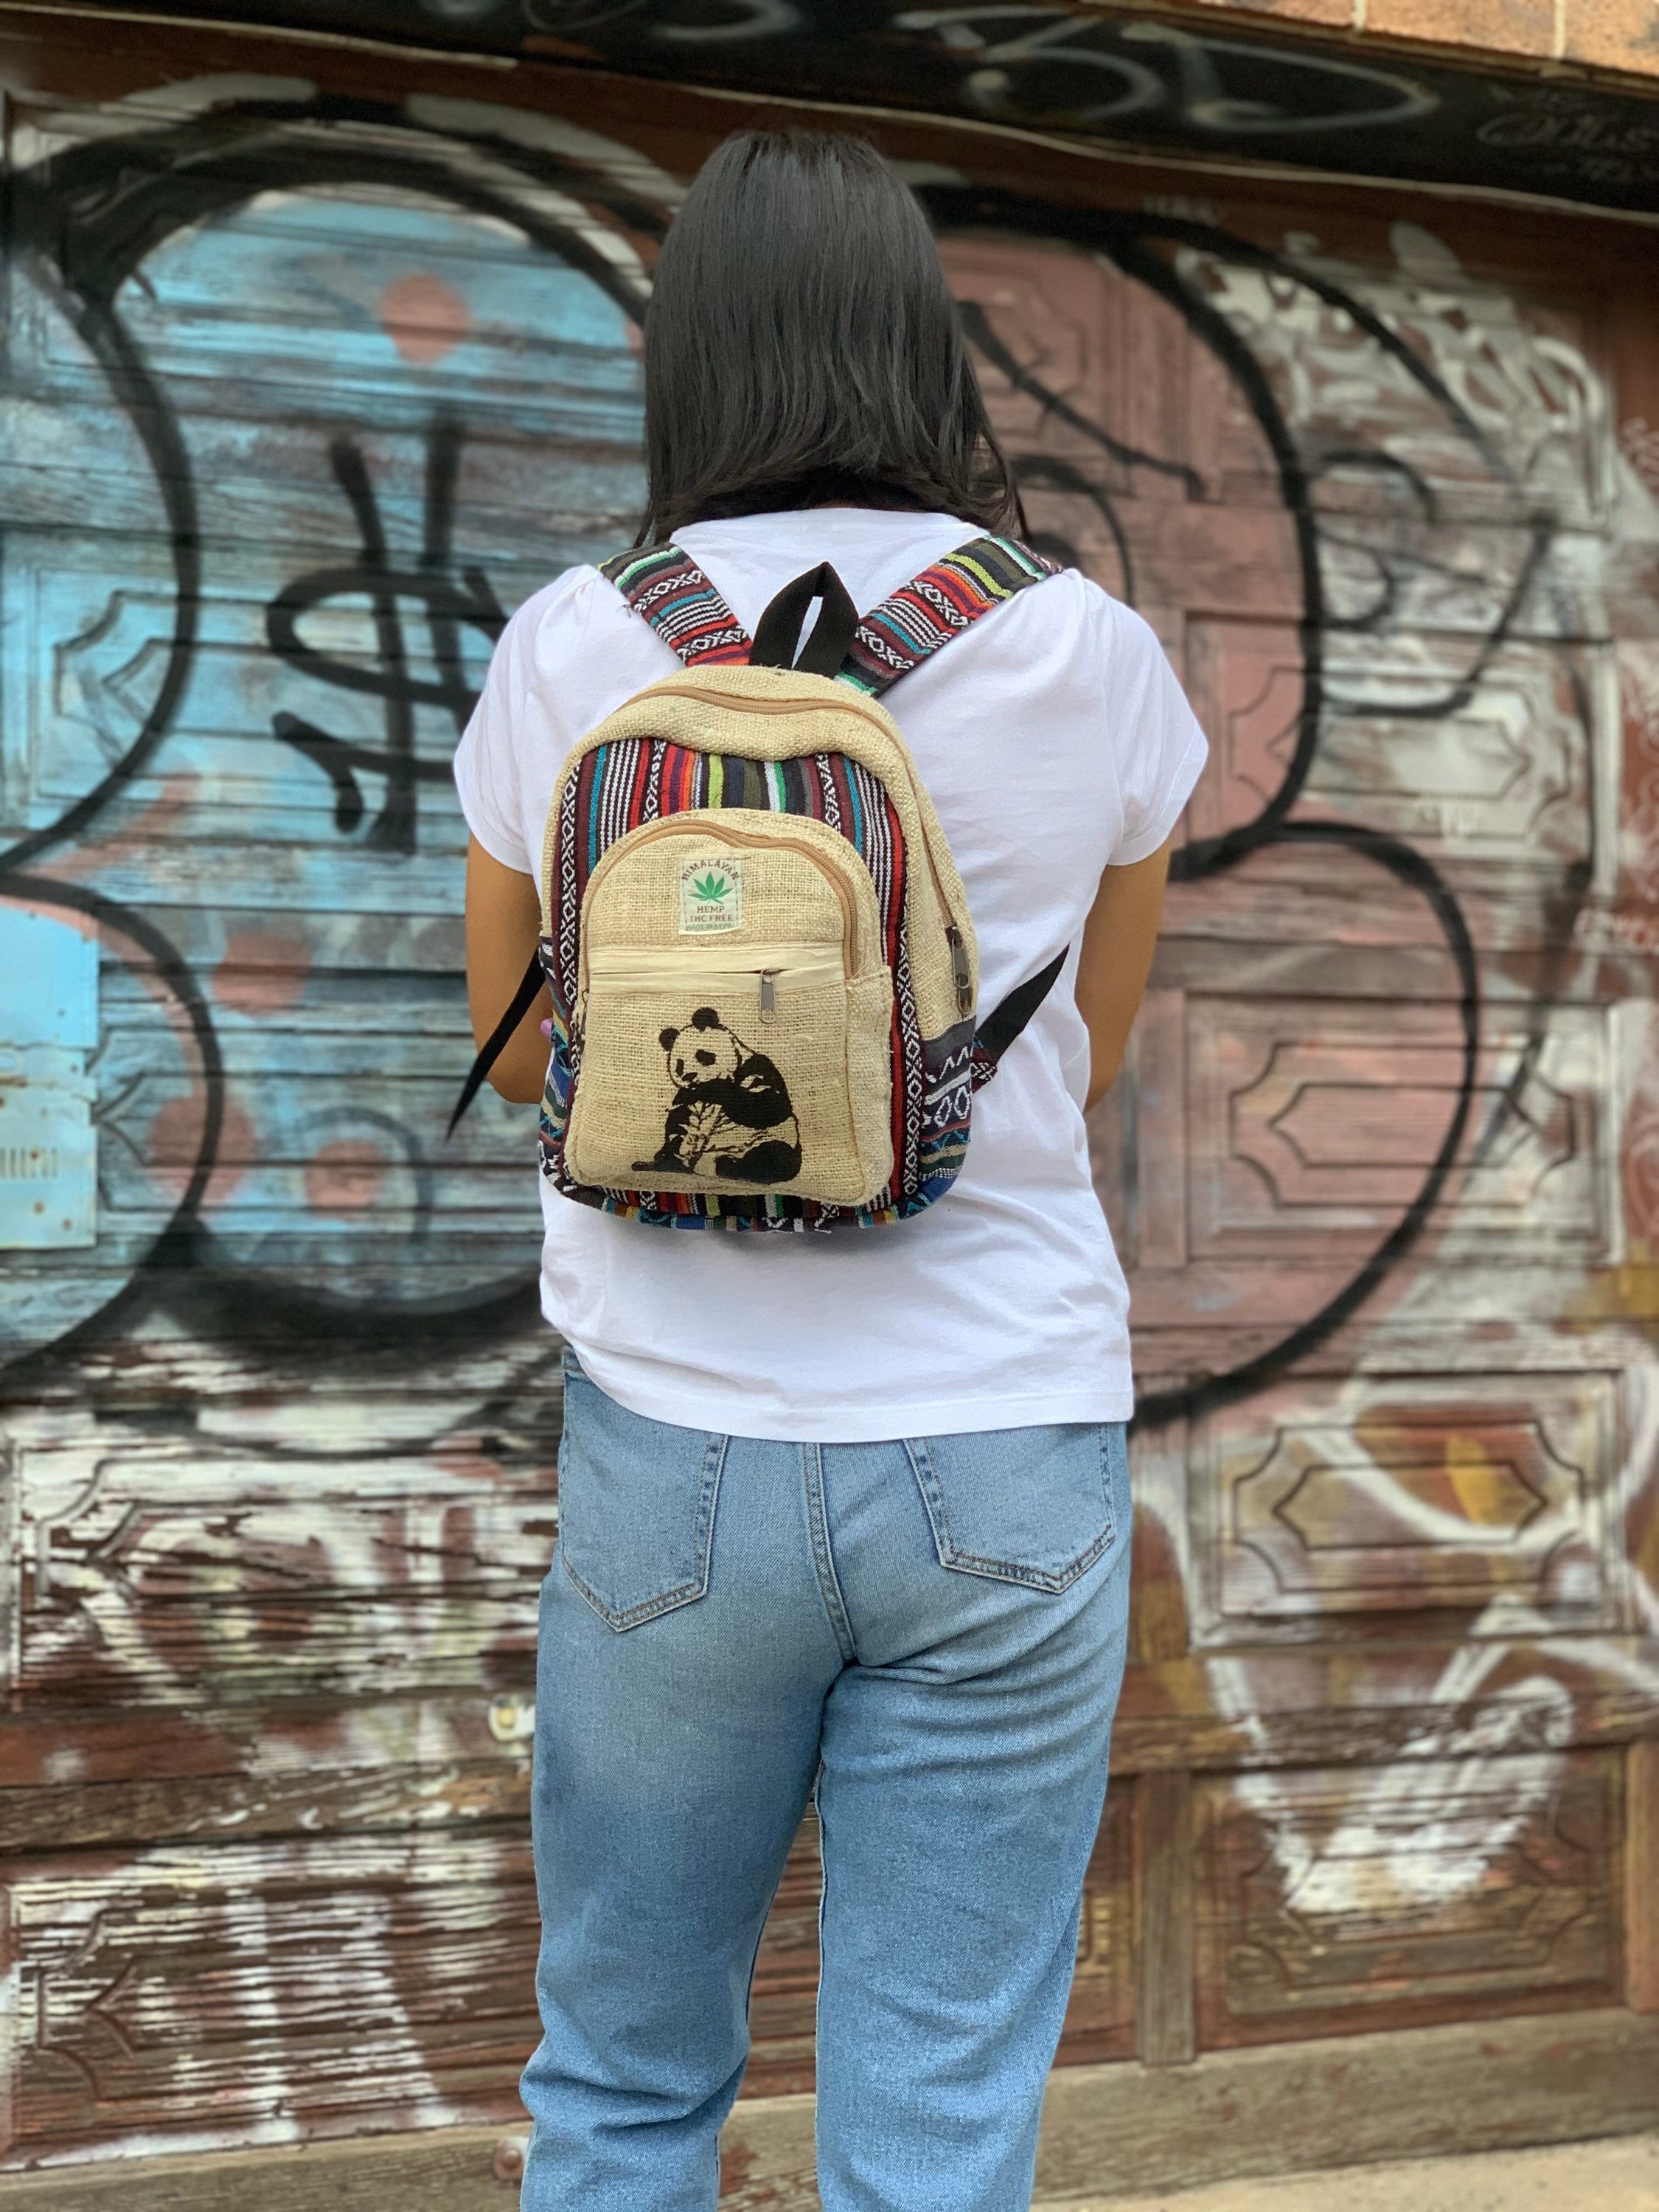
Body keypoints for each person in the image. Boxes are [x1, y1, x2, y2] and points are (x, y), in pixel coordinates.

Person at [456, 128, 1206, 2212]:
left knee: (621, 2080)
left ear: (689, 350)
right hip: (1002, 1438)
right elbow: (1084, 1049)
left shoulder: (576, 642)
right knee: (940, 2114)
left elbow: (516, 1050)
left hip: (674, 1441)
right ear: (919, 340)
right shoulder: (1090, 650)